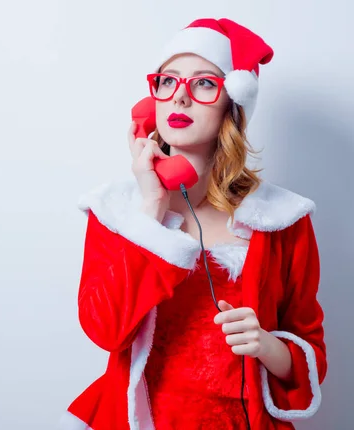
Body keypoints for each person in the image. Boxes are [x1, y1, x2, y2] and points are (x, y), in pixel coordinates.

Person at [59, 17, 327, 430]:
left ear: (231, 105)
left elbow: (310, 351)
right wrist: (151, 204)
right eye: (168, 82)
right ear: (152, 103)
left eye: (203, 83)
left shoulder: (281, 220)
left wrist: (268, 346)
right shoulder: (117, 212)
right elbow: (105, 330)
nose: (179, 98)